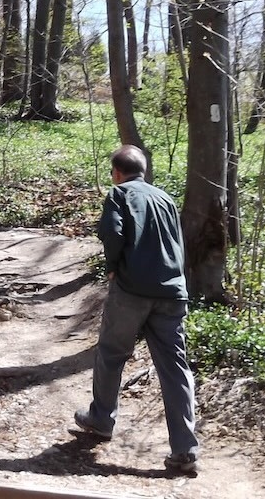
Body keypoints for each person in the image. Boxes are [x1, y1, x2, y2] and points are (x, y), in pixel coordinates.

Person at [72, 144, 199, 475]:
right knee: (175, 369)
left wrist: (112, 266)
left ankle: (101, 419)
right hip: (172, 292)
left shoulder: (119, 195)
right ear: (144, 170)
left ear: (116, 173)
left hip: (132, 290)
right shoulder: (166, 199)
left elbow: (111, 232)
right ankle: (184, 449)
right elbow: (178, 244)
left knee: (112, 353)